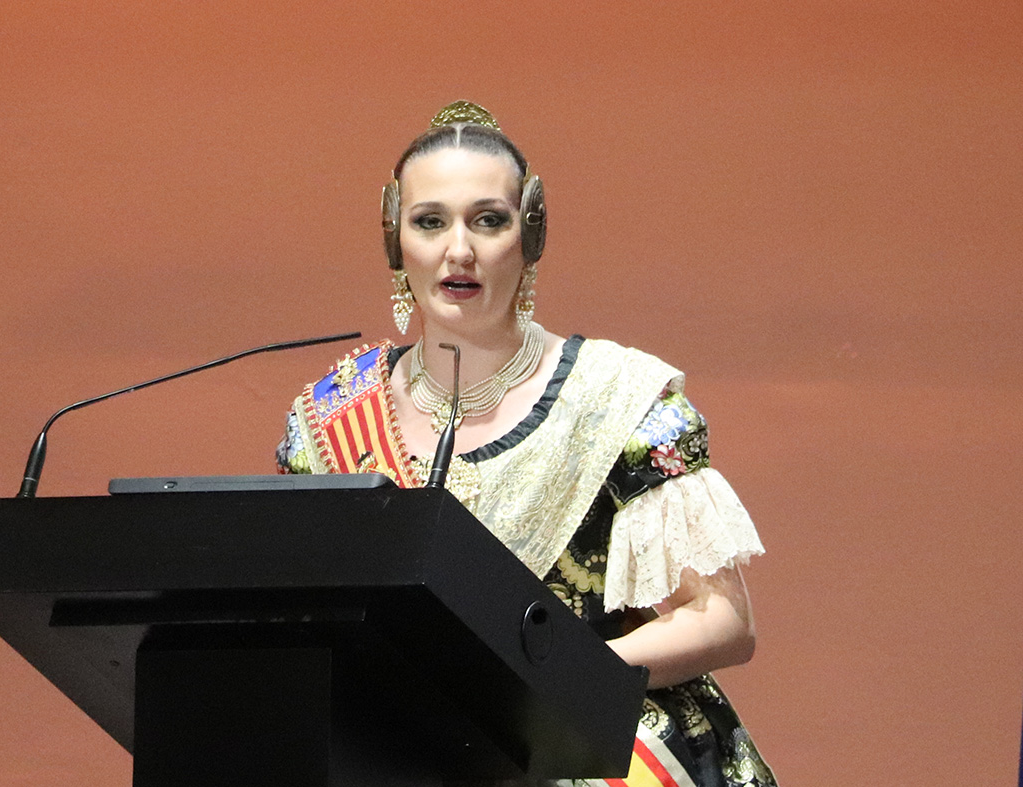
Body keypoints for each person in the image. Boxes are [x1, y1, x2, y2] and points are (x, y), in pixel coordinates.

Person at [276, 101, 777, 787]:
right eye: (430, 222)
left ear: (529, 234)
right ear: (397, 242)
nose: (460, 249)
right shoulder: (329, 425)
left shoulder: (617, 397)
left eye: (489, 220)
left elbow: (723, 619)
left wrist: (557, 688)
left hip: (590, 744)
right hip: (406, 755)